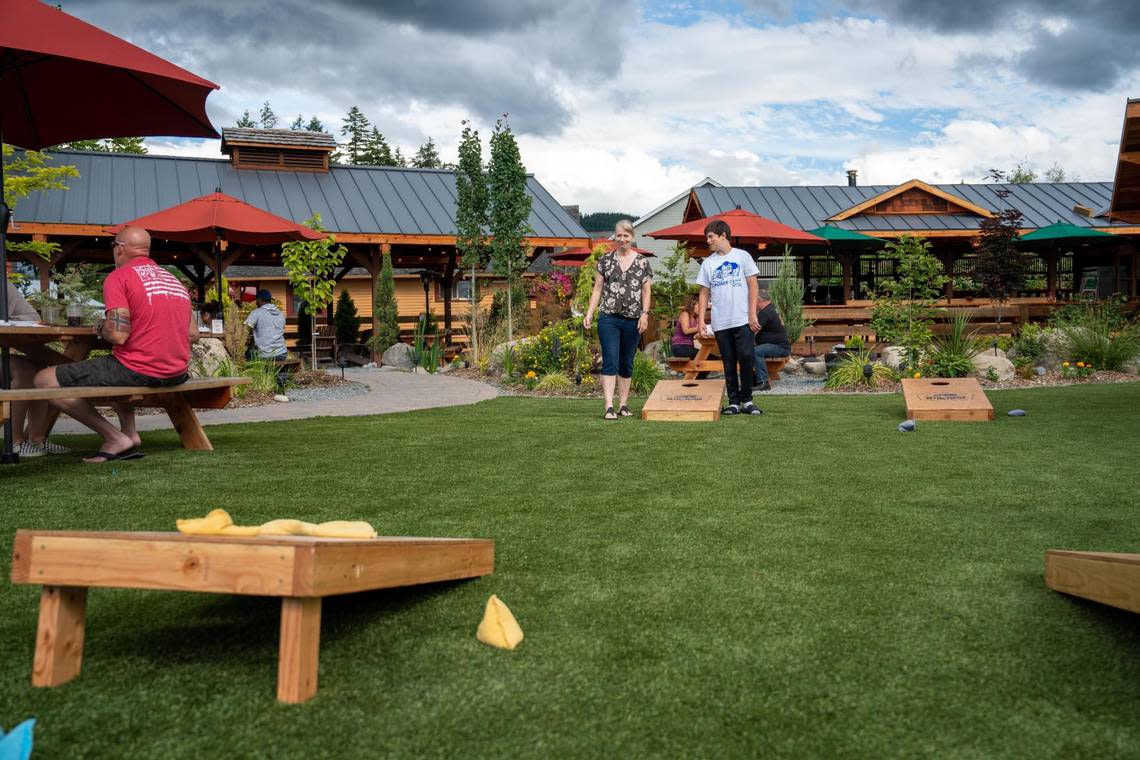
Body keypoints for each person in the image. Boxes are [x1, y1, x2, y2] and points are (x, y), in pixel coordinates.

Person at [34, 226, 199, 463]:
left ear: (120, 248)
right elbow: (192, 334)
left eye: (112, 247)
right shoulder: (173, 281)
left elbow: (119, 335)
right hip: (177, 372)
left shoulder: (119, 277)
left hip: (140, 371)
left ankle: (114, 438)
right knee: (115, 363)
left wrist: (102, 328)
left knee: (44, 380)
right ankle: (130, 433)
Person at [583, 220, 652, 420]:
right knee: (610, 360)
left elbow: (646, 292)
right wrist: (589, 313)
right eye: (619, 235)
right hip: (609, 318)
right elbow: (597, 289)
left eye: (626, 235)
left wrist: (645, 314)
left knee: (626, 362)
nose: (622, 239)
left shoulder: (642, 262)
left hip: (633, 320)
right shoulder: (605, 261)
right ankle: (609, 406)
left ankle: (623, 404)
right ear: (615, 236)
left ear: (632, 237)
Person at [696, 220, 762, 416]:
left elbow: (753, 285)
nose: (708, 241)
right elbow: (703, 293)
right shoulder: (708, 263)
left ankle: (747, 400)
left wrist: (752, 314)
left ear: (723, 235)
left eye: (711, 237)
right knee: (728, 362)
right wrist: (701, 320)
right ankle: (733, 402)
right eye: (707, 237)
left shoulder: (743, 257)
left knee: (747, 357)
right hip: (720, 321)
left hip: (742, 319)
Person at [4, 282, 70, 457]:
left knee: (40, 366)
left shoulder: (3, 284)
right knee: (24, 370)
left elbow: (32, 317)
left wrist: (10, 320)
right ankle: (15, 441)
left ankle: (37, 438)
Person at [752, 288, 790, 391]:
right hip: (779, 346)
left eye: (753, 300)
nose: (752, 303)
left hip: (779, 347)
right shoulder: (771, 308)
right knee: (752, 350)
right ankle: (753, 379)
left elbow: (753, 330)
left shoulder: (765, 312)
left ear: (759, 300)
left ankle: (763, 382)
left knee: (756, 351)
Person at [244, 289, 287, 360]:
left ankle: (256, 371)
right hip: (282, 354)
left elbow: (244, 330)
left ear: (259, 300)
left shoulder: (256, 313)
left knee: (248, 353)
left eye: (256, 300)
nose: (256, 302)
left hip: (265, 355)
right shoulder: (280, 314)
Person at [670, 294, 700, 359]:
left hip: (689, 347)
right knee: (709, 357)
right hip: (680, 347)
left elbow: (696, 332)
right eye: (699, 306)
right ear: (692, 305)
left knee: (707, 356)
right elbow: (686, 331)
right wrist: (699, 329)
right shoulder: (685, 314)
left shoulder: (695, 318)